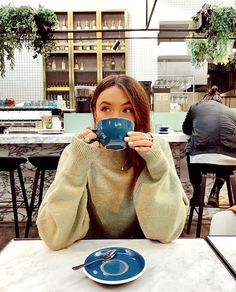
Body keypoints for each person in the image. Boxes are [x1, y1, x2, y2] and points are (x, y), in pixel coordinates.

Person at [36, 74, 188, 251]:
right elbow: (54, 237)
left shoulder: (157, 147)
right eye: (105, 109)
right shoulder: (77, 152)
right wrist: (77, 163)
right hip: (89, 254)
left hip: (142, 253)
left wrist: (156, 163)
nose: (115, 118)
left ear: (139, 114)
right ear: (95, 112)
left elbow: (167, 232)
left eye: (127, 110)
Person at [182, 85, 236, 208]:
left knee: (190, 150)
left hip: (201, 159)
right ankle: (216, 189)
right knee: (224, 157)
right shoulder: (230, 112)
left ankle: (197, 193)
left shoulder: (196, 106)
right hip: (231, 160)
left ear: (205, 98)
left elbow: (186, 129)